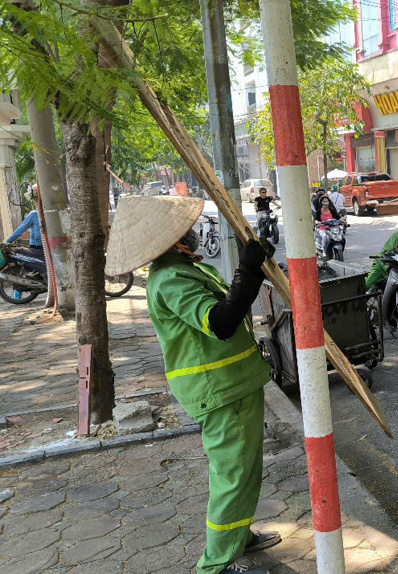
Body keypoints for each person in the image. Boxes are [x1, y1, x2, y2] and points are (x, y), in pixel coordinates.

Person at [105, 196, 281, 574]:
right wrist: (249, 272)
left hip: (233, 384)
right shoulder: (170, 279)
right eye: (185, 231)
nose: (193, 233)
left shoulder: (183, 268)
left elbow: (229, 303)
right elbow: (221, 321)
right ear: (170, 243)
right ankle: (215, 565)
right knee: (233, 477)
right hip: (220, 391)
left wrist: (252, 271)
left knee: (244, 472)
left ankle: (236, 536)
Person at [6, 188, 44, 259]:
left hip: (36, 250)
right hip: (46, 249)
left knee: (14, 252)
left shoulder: (34, 214)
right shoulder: (51, 214)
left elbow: (21, 229)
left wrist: (7, 242)